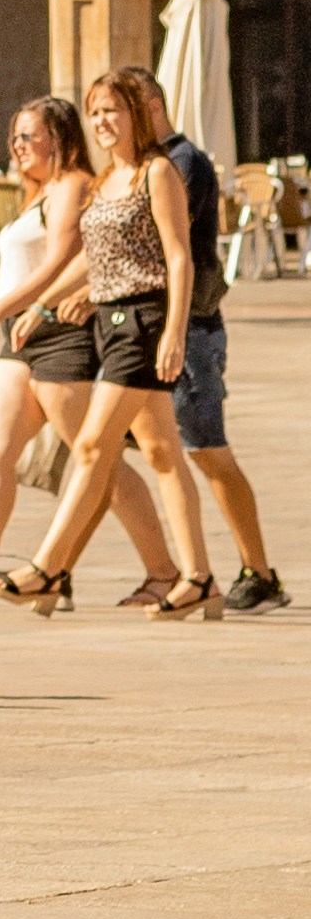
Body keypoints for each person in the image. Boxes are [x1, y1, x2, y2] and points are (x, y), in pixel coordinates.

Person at [0, 95, 175, 604]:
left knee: (97, 458)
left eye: (27, 136)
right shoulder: (37, 193)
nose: (17, 146)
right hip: (19, 337)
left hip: (61, 335)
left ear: (57, 139)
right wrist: (6, 315)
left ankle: (163, 571)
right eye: (14, 136)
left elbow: (60, 260)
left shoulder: (74, 185)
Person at [0, 65, 218, 617]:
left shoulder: (156, 173)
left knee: (93, 446)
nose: (100, 121)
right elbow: (94, 260)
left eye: (112, 110)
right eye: (94, 112)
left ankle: (48, 567)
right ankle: (198, 579)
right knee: (163, 454)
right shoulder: (106, 180)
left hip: (144, 324)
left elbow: (178, 257)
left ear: (137, 114)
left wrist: (174, 331)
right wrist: (45, 305)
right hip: (112, 323)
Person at [141, 75, 288, 615]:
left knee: (207, 452)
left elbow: (167, 245)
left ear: (151, 107)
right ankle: (167, 572)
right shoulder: (148, 165)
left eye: (118, 109)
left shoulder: (184, 163)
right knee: (112, 451)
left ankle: (258, 571)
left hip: (192, 331)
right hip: (148, 330)